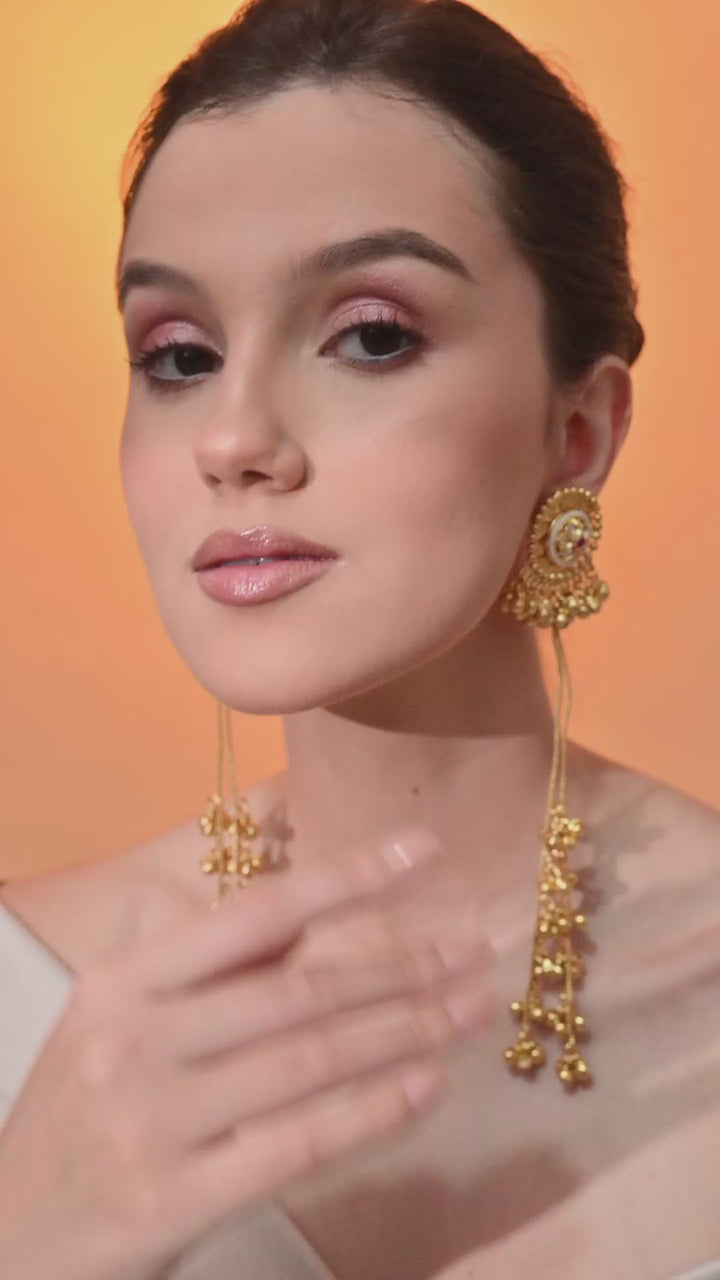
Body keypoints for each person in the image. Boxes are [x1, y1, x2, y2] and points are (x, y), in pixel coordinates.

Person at [1, 0, 719, 1275]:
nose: (232, 438)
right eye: (179, 355)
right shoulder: (29, 999)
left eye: (371, 336)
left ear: (578, 432)